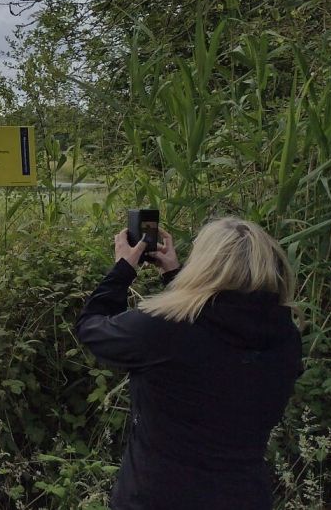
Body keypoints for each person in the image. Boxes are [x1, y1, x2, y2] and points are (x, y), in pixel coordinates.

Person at [76, 218, 302, 509]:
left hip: (159, 496)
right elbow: (214, 332)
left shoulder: (163, 330)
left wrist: (123, 269)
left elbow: (92, 328)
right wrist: (174, 276)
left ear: (204, 266)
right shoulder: (285, 337)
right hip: (245, 496)